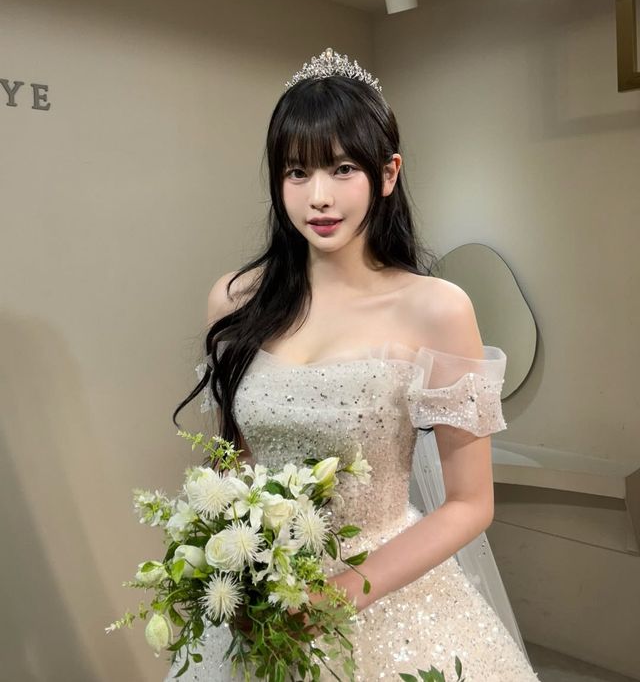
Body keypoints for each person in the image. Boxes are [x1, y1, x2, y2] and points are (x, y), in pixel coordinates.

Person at [165, 48, 539, 681]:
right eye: (297, 172)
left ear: (387, 173)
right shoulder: (235, 299)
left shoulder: (437, 308)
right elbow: (234, 464)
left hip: (386, 593)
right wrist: (229, 565)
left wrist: (337, 595)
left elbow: (470, 504)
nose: (319, 197)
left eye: (341, 169)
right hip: (267, 599)